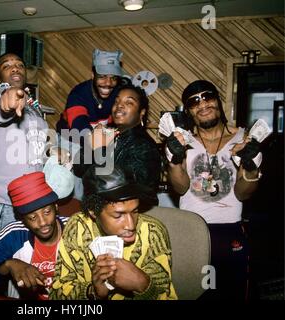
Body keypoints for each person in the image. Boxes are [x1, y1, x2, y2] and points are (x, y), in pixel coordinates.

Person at [165, 80, 262, 300]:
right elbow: (180, 188)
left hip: (230, 231)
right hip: (191, 232)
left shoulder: (243, 139)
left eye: (207, 96)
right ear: (189, 111)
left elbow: (243, 193)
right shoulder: (182, 141)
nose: (202, 104)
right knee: (195, 295)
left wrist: (250, 165)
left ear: (218, 100)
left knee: (232, 295)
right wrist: (173, 160)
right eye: (194, 101)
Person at [49, 165, 177, 300]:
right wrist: (93, 292)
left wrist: (144, 285)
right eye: (118, 216)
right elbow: (57, 294)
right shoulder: (77, 227)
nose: (130, 225)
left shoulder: (153, 234)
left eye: (135, 211)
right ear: (93, 211)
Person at [0, 52, 49, 249]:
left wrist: (56, 149)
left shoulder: (32, 107)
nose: (15, 67)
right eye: (7, 65)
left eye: (19, 64)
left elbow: (38, 143)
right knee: (3, 269)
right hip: (4, 204)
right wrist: (4, 101)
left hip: (34, 202)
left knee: (27, 270)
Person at [0, 172, 68, 299]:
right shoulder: (13, 235)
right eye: (32, 217)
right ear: (22, 219)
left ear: (56, 206)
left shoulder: (76, 228)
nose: (42, 222)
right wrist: (8, 265)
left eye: (47, 212)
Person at [56, 49, 126, 200]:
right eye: (102, 77)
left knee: (100, 184)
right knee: (73, 187)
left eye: (113, 78)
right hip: (71, 138)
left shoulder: (119, 93)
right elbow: (79, 126)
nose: (108, 83)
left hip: (99, 139)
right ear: (93, 75)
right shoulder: (79, 94)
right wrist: (96, 147)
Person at [73, 84, 161, 200]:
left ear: (142, 112)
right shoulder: (109, 135)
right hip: (99, 208)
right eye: (116, 101)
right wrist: (90, 146)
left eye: (129, 103)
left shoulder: (145, 146)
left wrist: (100, 149)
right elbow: (79, 170)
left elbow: (126, 189)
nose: (119, 105)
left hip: (130, 213)